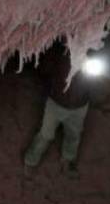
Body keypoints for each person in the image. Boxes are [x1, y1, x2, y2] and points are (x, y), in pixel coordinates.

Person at [23, 49, 101, 177]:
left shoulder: (91, 55)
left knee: (73, 134)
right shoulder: (60, 53)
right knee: (46, 134)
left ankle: (68, 159)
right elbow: (44, 70)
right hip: (56, 104)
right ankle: (30, 161)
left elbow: (95, 80)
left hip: (79, 106)